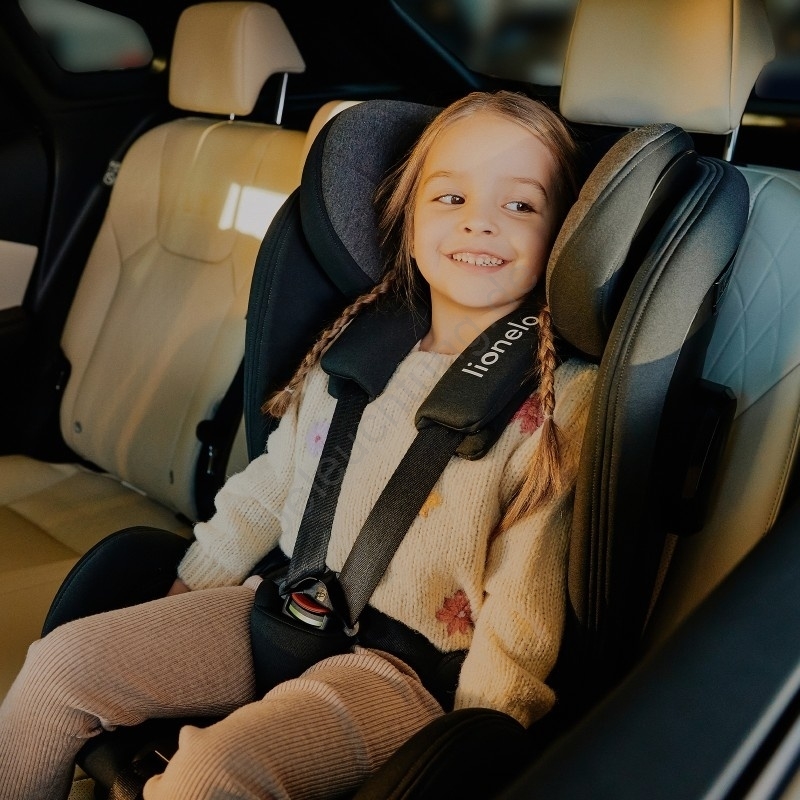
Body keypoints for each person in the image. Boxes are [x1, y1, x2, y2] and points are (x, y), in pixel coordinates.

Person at [0, 90, 597, 800]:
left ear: (562, 237)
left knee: (207, 775)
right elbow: (277, 479)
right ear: (406, 220)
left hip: (401, 674)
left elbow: (526, 593)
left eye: (521, 205)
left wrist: (482, 733)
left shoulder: (560, 399)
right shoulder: (361, 343)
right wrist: (197, 580)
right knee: (61, 665)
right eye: (450, 197)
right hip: (282, 607)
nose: (480, 221)